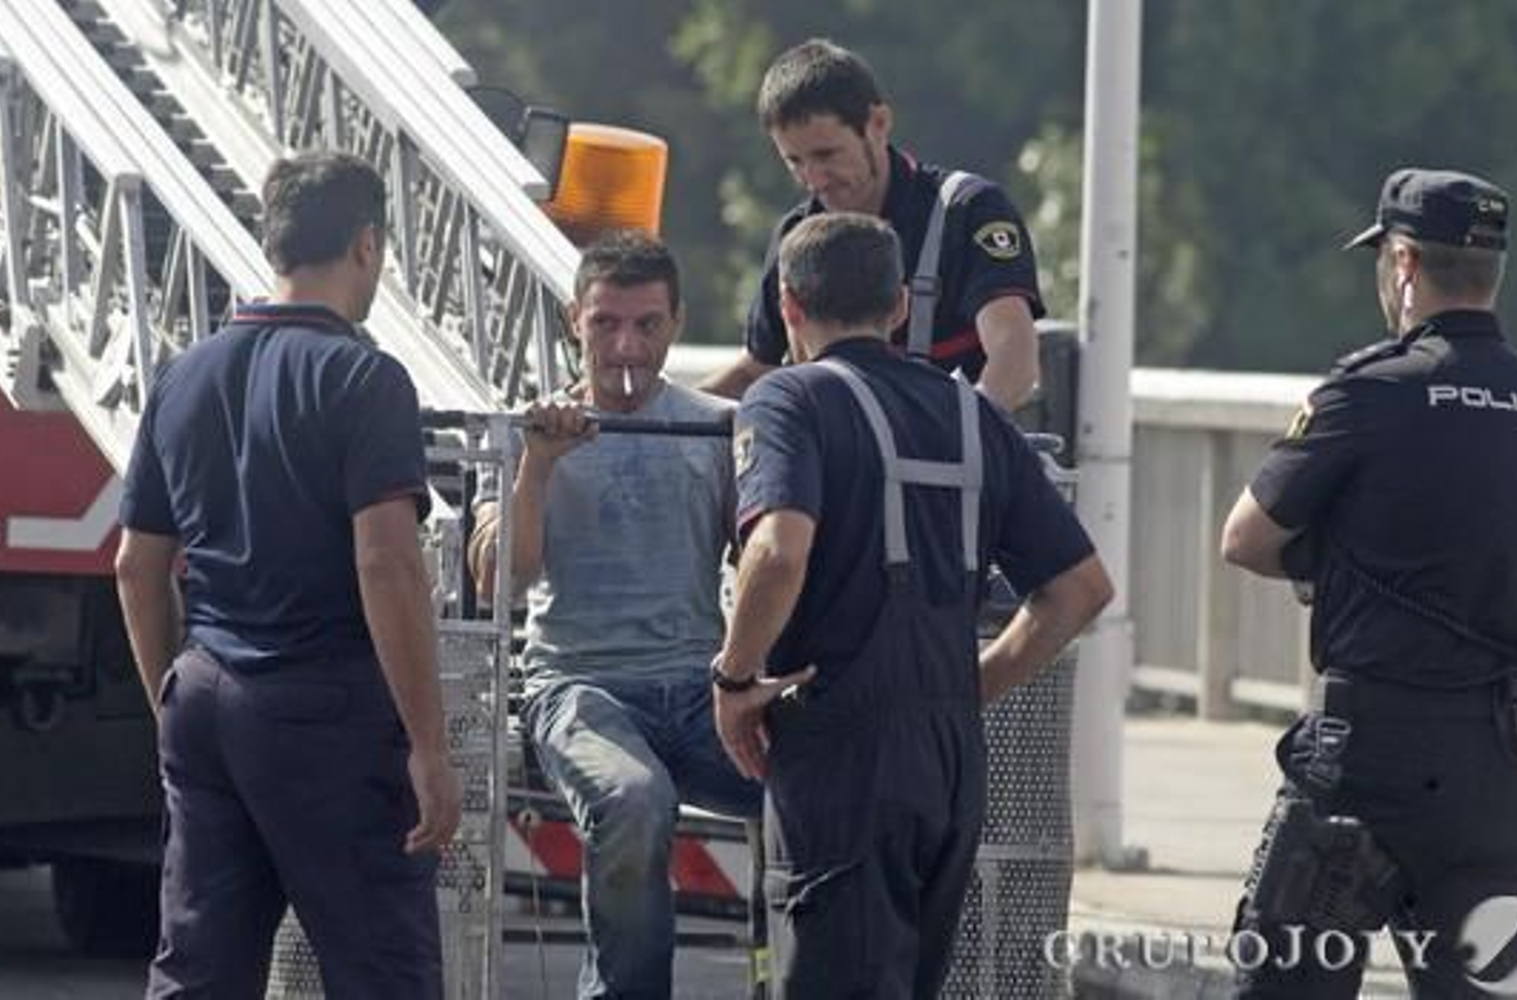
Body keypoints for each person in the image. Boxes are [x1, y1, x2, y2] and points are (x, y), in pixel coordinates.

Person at [712, 212, 1111, 997]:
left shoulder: (788, 400)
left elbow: (779, 549)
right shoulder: (975, 417)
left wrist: (734, 681)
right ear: (899, 306)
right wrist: (975, 686)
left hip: (839, 743)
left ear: (789, 305)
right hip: (950, 757)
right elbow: (1080, 589)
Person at [114, 151, 460, 998]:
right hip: (328, 711)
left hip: (205, 699)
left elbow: (135, 565)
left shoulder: (182, 376)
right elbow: (386, 564)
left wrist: (172, 695)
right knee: (383, 970)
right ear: (368, 247)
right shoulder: (364, 378)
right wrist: (429, 747)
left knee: (199, 970)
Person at [1221, 168, 1517, 997]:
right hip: (1507, 766)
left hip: (1370, 757)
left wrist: (1330, 566)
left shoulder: (1370, 392)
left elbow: (1247, 539)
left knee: (1288, 982)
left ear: (1403, 262)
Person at [466, 231, 762, 999]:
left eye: (647, 325)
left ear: (676, 324)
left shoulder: (715, 426)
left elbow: (764, 557)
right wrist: (539, 464)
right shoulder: (529, 431)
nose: (625, 345)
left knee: (831, 781)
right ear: (575, 321)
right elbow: (504, 576)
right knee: (633, 800)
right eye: (606, 324)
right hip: (581, 687)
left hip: (700, 688)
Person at [700, 38, 1047, 411]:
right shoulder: (796, 235)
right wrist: (649, 423)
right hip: (846, 464)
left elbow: (1014, 355)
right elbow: (757, 371)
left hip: (955, 460)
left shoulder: (967, 212)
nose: (814, 179)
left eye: (826, 154)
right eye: (795, 162)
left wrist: (961, 435)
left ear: (878, 124)